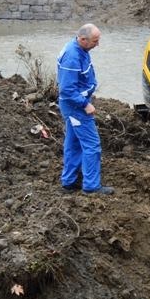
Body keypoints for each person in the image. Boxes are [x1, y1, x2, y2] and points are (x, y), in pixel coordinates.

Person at [56, 24, 113, 195]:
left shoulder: (79, 50)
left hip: (75, 105)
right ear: (82, 39)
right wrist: (85, 104)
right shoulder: (72, 57)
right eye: (95, 41)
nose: (98, 44)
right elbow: (66, 89)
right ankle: (91, 186)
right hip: (76, 107)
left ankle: (69, 181)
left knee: (73, 143)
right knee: (92, 145)